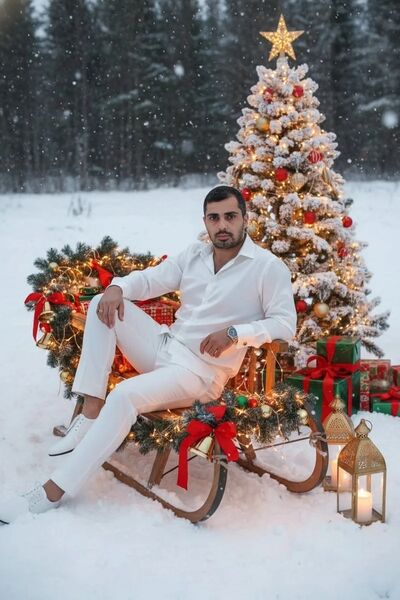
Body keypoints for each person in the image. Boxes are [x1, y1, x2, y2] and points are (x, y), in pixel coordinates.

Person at [0, 185, 296, 524]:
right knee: (101, 304)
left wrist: (235, 333)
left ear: (245, 218)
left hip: (199, 373)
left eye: (230, 216)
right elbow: (150, 280)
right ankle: (92, 408)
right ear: (205, 221)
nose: (222, 225)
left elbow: (284, 324)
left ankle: (54, 490)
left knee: (124, 395)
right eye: (214, 218)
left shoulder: (267, 267)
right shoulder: (195, 255)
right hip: (165, 346)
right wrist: (117, 288)